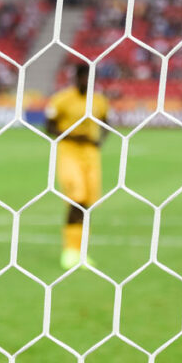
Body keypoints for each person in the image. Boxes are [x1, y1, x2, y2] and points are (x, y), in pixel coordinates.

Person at [44, 62, 109, 269]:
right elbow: (49, 125)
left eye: (91, 79)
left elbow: (107, 123)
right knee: (76, 199)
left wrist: (100, 140)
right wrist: (71, 135)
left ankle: (81, 252)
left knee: (87, 203)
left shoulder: (99, 101)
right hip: (69, 152)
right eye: (83, 78)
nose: (87, 82)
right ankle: (70, 251)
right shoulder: (62, 99)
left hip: (91, 155)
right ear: (76, 78)